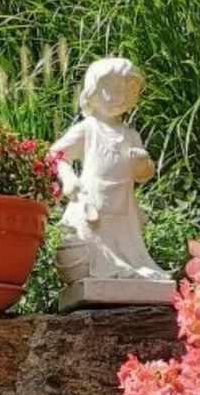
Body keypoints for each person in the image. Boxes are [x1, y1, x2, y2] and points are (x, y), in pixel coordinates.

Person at [50, 57, 170, 285]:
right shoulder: (88, 129)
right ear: (93, 91)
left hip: (124, 201)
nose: (121, 98)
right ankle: (106, 267)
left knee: (126, 239)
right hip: (93, 196)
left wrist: (141, 164)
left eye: (127, 92)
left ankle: (133, 266)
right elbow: (56, 155)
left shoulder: (131, 135)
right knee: (96, 237)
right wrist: (68, 177)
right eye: (113, 91)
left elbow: (144, 175)